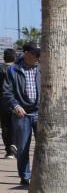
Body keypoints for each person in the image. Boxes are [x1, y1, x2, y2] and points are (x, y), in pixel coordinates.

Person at [1, 42, 42, 185]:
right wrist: (16, 105)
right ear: (26, 53)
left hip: (39, 112)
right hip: (21, 114)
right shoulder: (13, 70)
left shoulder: (42, 69)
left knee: (43, 145)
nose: (37, 57)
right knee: (23, 147)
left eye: (38, 54)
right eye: (35, 54)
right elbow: (7, 92)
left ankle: (42, 175)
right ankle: (25, 176)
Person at [0, 48, 16, 159]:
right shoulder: (17, 69)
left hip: (3, 102)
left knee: (5, 126)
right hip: (17, 102)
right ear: (14, 58)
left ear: (4, 58)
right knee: (18, 126)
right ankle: (15, 146)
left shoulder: (0, 69)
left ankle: (9, 151)